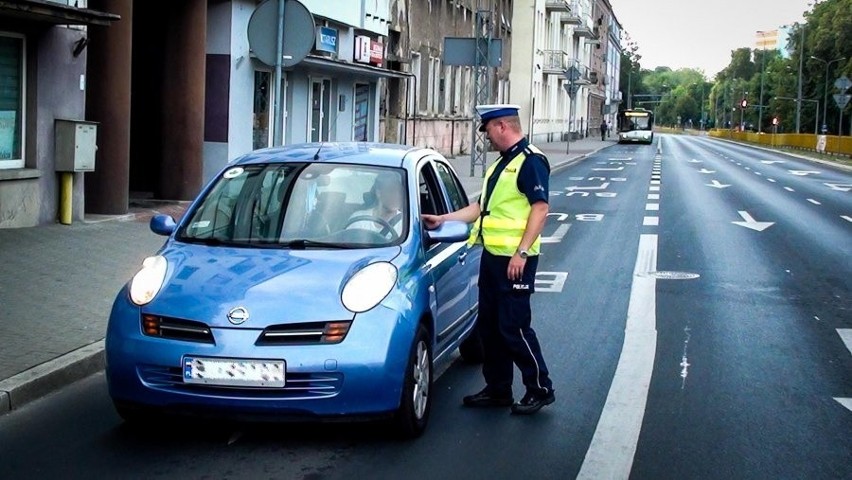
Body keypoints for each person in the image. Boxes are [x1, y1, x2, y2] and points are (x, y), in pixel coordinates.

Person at [422, 104, 555, 415]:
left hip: (515, 262)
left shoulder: (530, 162)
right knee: (491, 327)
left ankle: (540, 389)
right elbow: (481, 207)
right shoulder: (501, 166)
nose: (487, 139)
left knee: (514, 328)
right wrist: (442, 219)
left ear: (502, 127)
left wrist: (521, 252)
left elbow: (540, 209)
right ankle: (498, 389)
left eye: (488, 131)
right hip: (493, 259)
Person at [347, 172, 404, 239]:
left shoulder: (405, 223)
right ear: (378, 193)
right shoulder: (359, 219)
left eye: (400, 192)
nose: (397, 196)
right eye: (391, 191)